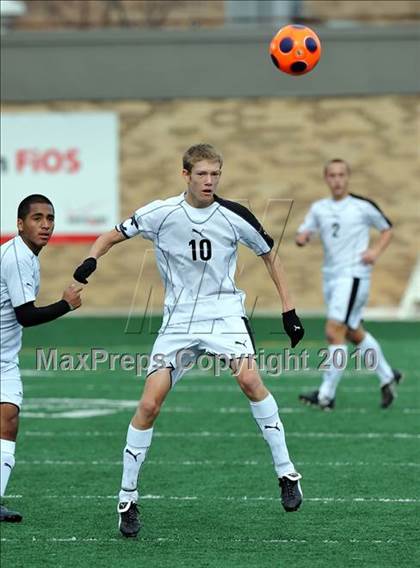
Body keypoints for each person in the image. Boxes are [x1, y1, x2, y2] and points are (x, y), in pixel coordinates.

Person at [73, 144, 305, 538]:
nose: (209, 181)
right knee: (148, 404)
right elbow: (112, 235)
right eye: (202, 174)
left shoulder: (234, 215)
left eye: (215, 174)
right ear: (186, 175)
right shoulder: (161, 213)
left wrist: (289, 310)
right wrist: (88, 264)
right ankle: (127, 497)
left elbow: (270, 255)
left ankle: (287, 473)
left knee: (250, 381)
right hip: (179, 322)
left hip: (224, 315)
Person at [0, 194, 82, 523]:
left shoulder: (27, 255)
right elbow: (26, 316)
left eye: (49, 218)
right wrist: (66, 304)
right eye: (37, 218)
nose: (45, 224)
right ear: (20, 224)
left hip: (4, 359)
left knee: (8, 419)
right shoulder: (18, 256)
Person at [295, 159, 402, 410]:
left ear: (348, 177)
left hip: (354, 276)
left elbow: (387, 229)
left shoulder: (362, 206)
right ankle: (387, 377)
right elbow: (304, 231)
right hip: (330, 277)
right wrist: (302, 237)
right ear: (326, 179)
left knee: (334, 332)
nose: (337, 180)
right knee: (353, 331)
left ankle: (325, 395)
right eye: (332, 175)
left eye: (341, 175)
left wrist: (375, 252)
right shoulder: (319, 208)